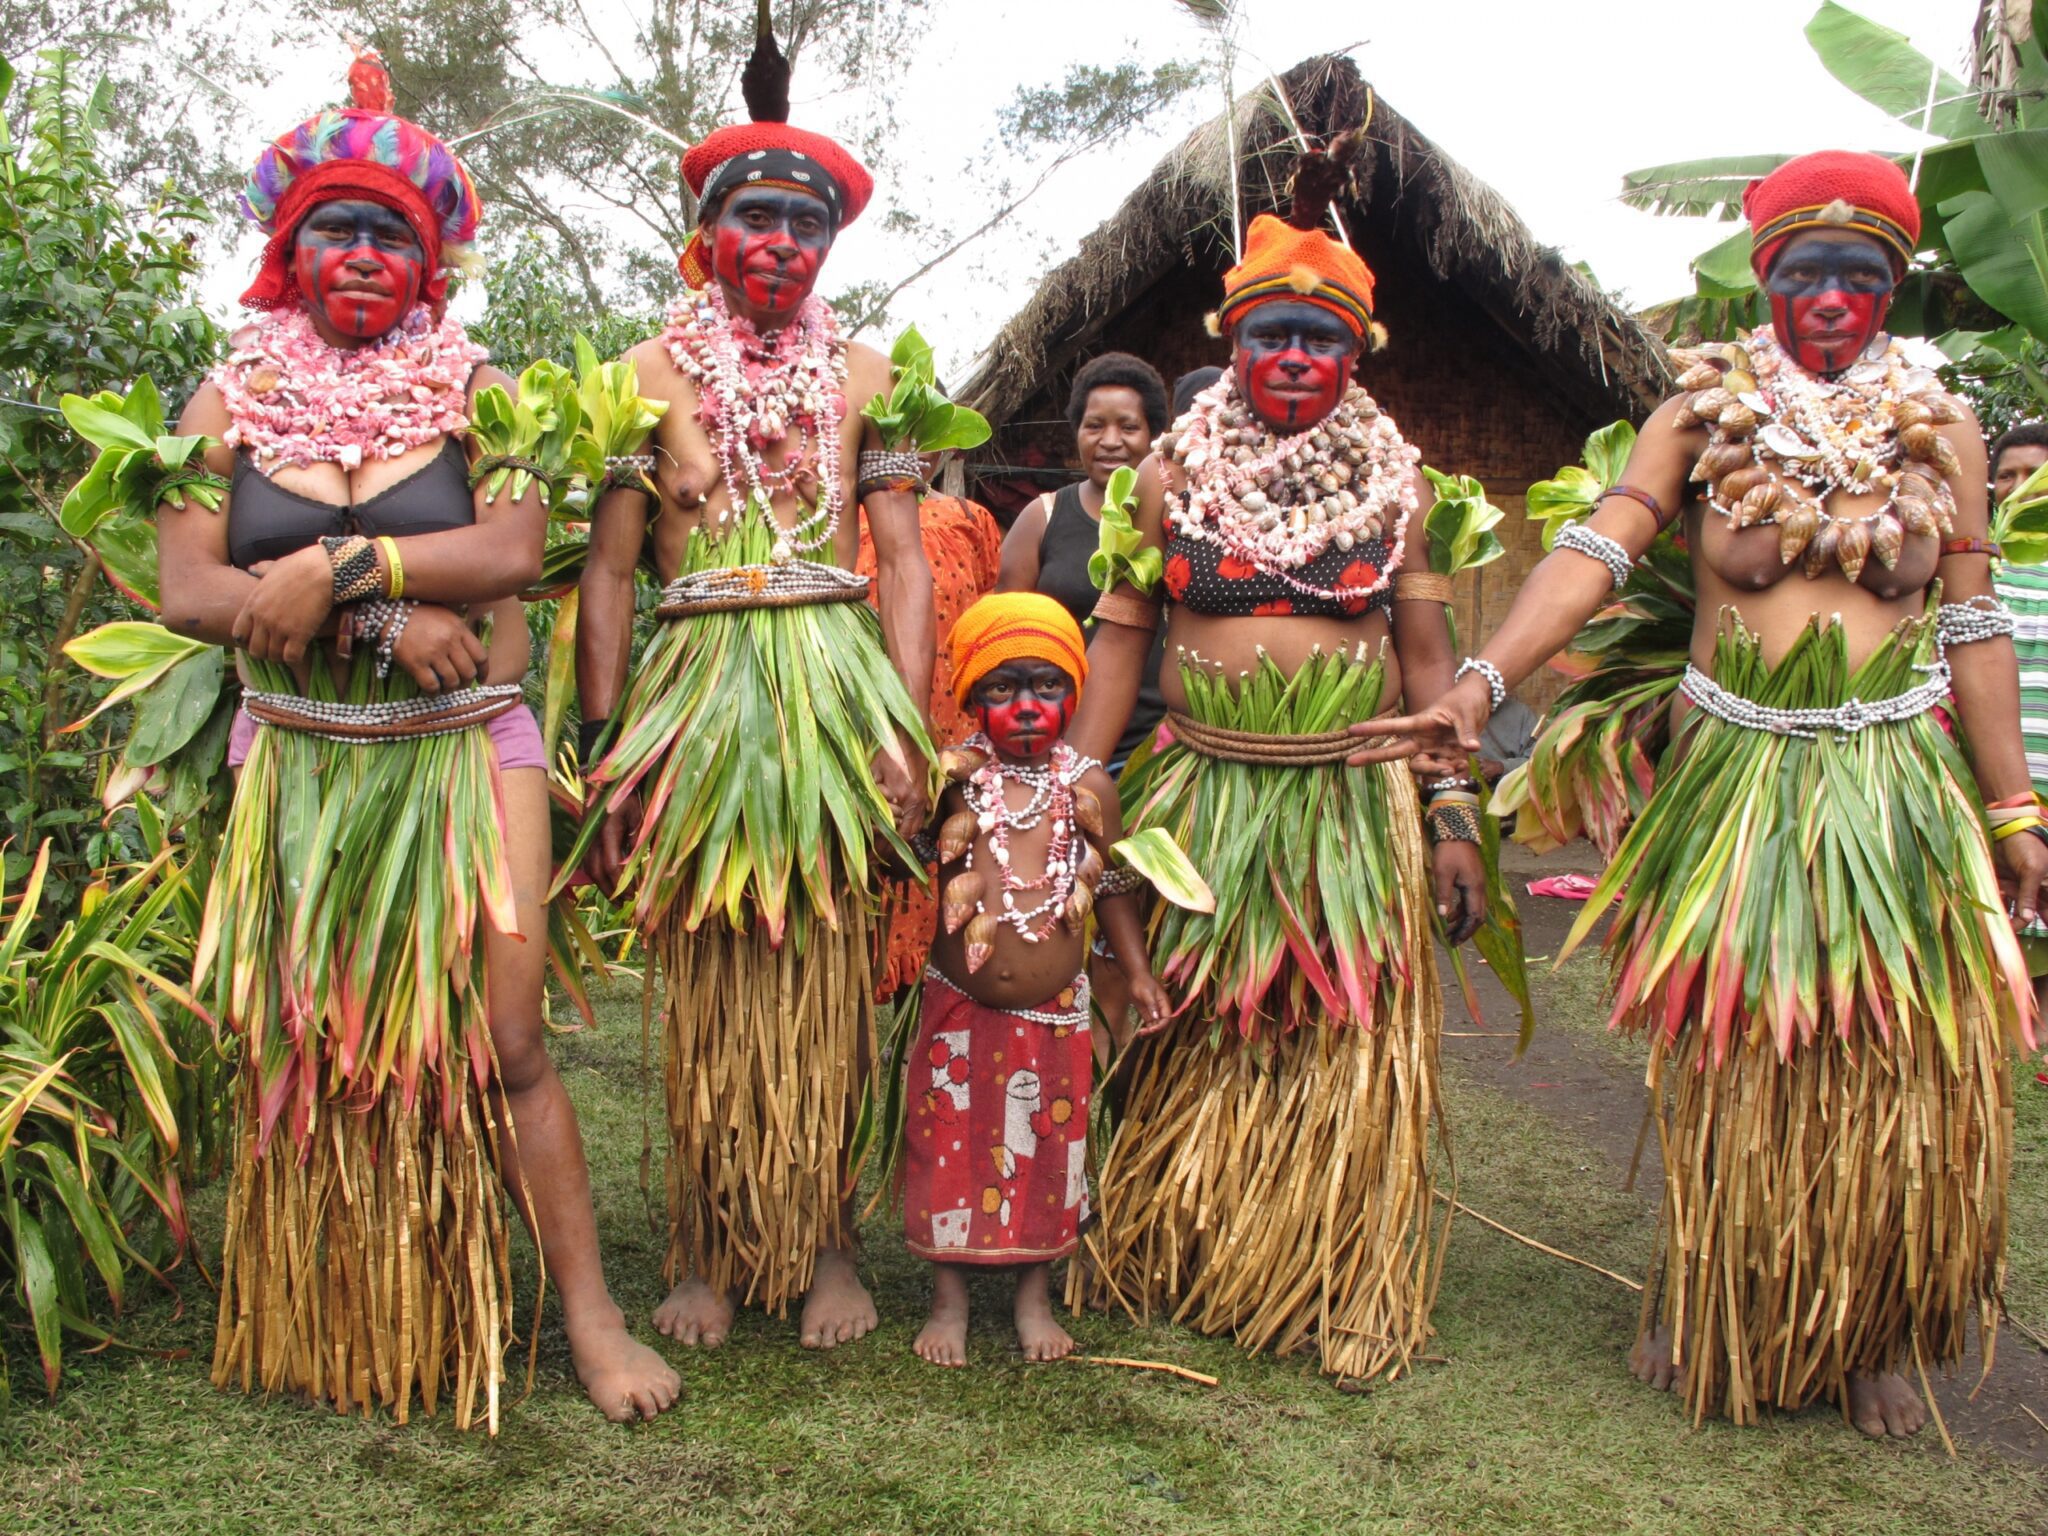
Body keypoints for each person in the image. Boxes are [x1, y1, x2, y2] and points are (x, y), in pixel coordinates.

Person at [1359, 150, 2043, 1436]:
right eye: (1804, 271)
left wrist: (2011, 809)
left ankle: (1867, 1331)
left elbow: (1972, 627)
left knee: (1883, 1053)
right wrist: (1476, 682)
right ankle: (1706, 1279)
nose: (1831, 296)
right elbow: (1593, 553)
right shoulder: (1700, 415)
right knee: (1732, 1046)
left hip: (1891, 780)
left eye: (1860, 274)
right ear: (1766, 277)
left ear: (1890, 288)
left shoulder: (1940, 427)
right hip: (1737, 773)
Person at [160, 50, 678, 1427]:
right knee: (314, 1039)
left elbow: (511, 547)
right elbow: (193, 590)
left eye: (394, 230)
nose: (364, 252)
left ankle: (591, 1318)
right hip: (304, 754)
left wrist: (345, 575)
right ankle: (337, 1305)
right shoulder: (224, 408)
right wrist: (387, 616)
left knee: (507, 1038)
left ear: (432, 257)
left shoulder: (481, 392)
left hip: (466, 747)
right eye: (336, 225)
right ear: (286, 247)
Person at [1065, 130, 1486, 1382]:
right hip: (1200, 789)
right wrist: (1081, 773)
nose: (1292, 359)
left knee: (1335, 1029)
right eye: (1269, 337)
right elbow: (1118, 640)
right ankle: (1168, 1244)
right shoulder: (1164, 474)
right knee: (1185, 1016)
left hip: (1344, 803)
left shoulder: (1397, 484)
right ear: (1231, 345)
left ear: (1352, 354)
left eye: (1318, 339)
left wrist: (1451, 807)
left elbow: (1424, 658)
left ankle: (1343, 1273)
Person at [571, 19, 934, 1353]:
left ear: (828, 245)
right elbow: (611, 574)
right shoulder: (637, 382)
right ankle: (704, 1247)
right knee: (717, 975)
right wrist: (606, 740)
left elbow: (900, 566)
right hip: (699, 690)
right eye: (756, 218)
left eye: (804, 224)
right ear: (709, 233)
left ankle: (831, 1236)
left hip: (832, 692)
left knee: (826, 966)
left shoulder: (872, 382)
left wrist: (904, 731)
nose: (781, 242)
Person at [903, 594, 1170, 1367]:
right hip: (961, 1006)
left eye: (1046, 688)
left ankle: (1033, 1295)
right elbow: (904, 852)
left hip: (1056, 1014)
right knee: (950, 1140)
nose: (1025, 708)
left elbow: (1114, 887)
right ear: (972, 700)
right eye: (1001, 689)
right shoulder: (952, 781)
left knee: (1048, 1146)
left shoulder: (1090, 788)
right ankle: (948, 1300)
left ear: (1074, 695)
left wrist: (1140, 973)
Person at [856, 469, 1005, 998]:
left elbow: (990, 617)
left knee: (947, 891)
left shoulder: (970, 520)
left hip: (951, 734)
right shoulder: (832, 522)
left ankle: (935, 1053)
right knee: (867, 893)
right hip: (862, 727)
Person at [998, 351, 1171, 770]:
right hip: (1054, 746)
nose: (1110, 441)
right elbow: (1002, 641)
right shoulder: (1042, 518)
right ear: (1076, 432)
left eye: (1129, 427)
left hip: (1160, 753)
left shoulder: (1181, 518)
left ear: (1154, 435)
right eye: (1094, 426)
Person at [1989, 421, 2048, 1000]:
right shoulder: (1973, 568)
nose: (2019, 486)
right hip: (1999, 779)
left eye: (2035, 474)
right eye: (2006, 475)